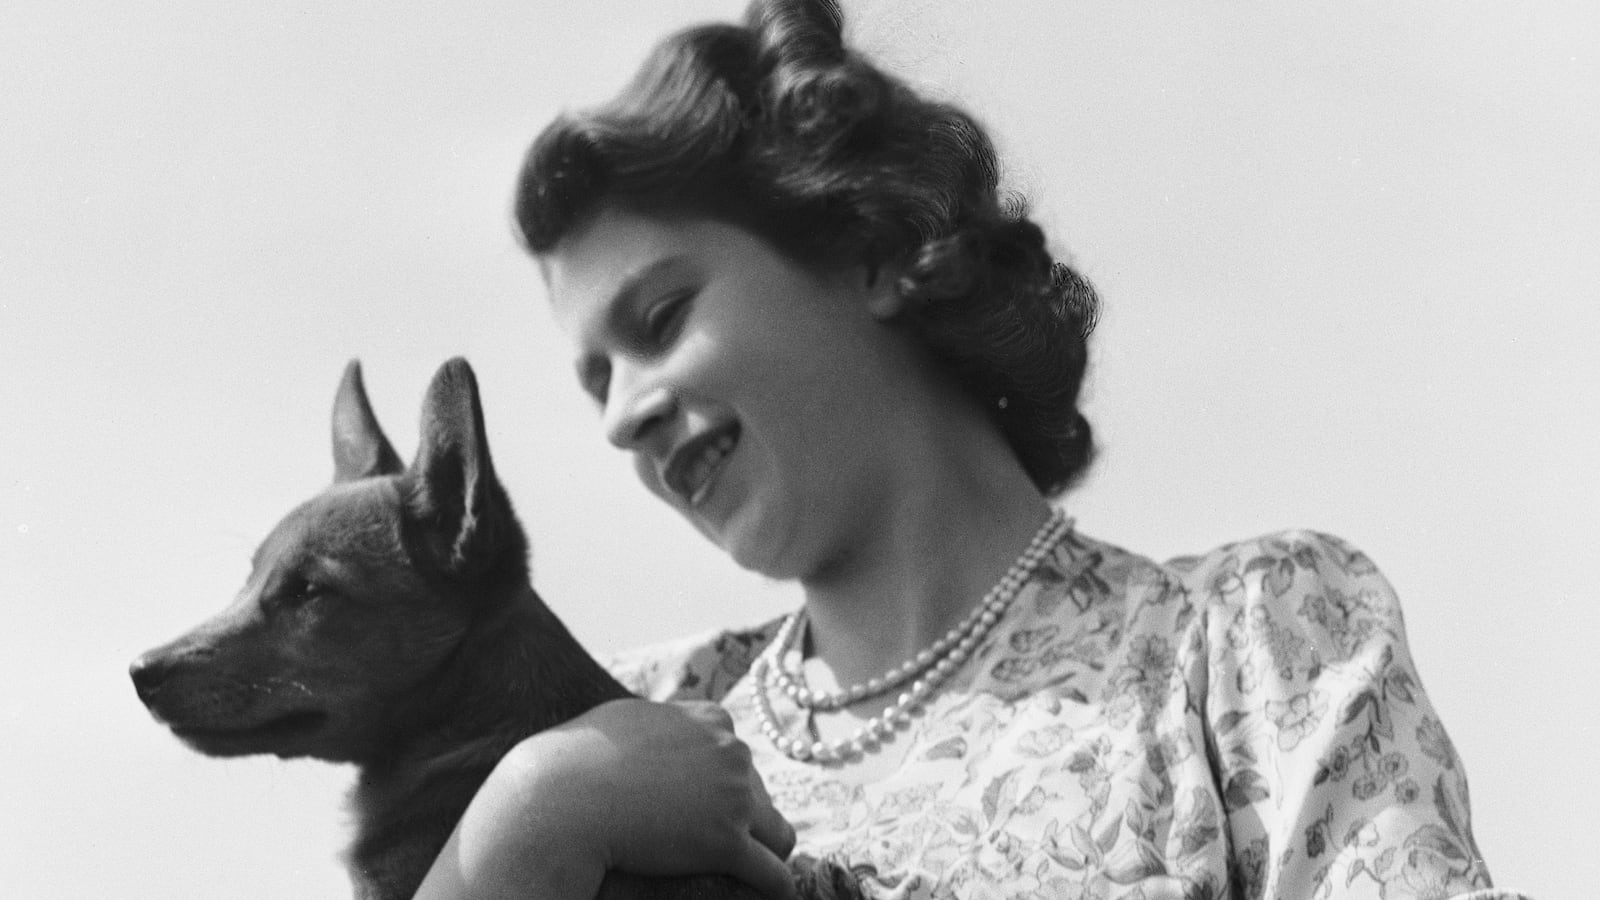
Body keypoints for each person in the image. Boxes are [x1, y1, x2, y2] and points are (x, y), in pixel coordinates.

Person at [417, 1, 1528, 898]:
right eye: (594, 381)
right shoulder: (626, 726)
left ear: (866, 247)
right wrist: (529, 819)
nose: (621, 417)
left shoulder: (1245, 644)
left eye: (658, 322)